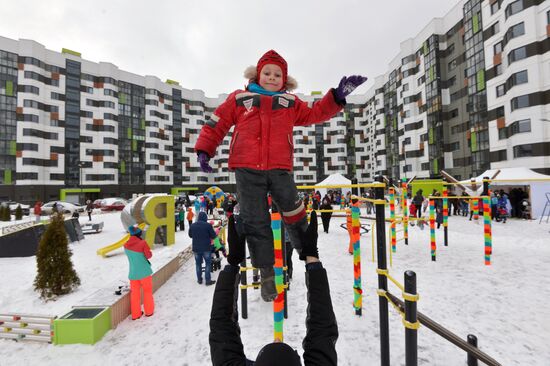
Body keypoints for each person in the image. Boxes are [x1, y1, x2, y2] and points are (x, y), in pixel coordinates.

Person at [195, 49, 367, 302]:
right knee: (256, 220)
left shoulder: (290, 103)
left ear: (284, 80)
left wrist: (337, 96)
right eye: (267, 73)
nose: (272, 77)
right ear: (257, 74)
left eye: (277, 75)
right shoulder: (240, 98)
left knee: (294, 210)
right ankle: (266, 274)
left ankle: (309, 257)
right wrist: (204, 150)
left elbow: (316, 112)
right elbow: (217, 122)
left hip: (279, 167)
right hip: (246, 167)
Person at [209, 211, 338, 365]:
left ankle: (280, 277)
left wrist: (232, 263)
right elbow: (322, 326)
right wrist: (312, 258)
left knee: (280, 265)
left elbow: (221, 327)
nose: (277, 338)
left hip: (270, 258)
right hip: (271, 258)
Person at [124, 225, 154, 320]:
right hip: (144, 273)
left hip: (133, 274)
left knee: (135, 295)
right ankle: (149, 311)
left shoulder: (125, 245)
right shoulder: (143, 243)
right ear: (138, 234)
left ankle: (136, 314)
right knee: (147, 292)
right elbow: (148, 256)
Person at [189, 211, 217, 286]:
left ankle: (199, 279)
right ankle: (208, 280)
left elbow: (190, 235)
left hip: (196, 248)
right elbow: (214, 236)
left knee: (198, 264)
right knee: (208, 263)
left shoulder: (193, 225)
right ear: (205, 218)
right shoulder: (208, 226)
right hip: (206, 248)